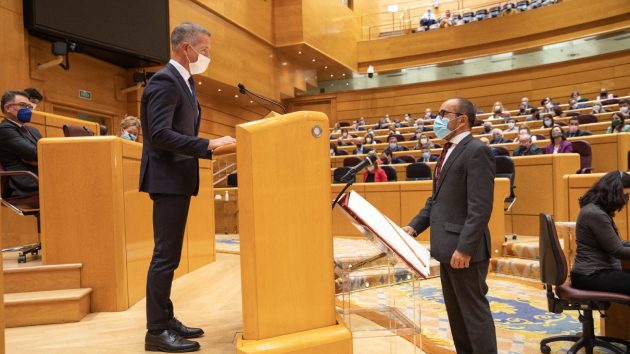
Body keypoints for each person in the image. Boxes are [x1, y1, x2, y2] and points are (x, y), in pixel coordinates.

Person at [139, 22, 236, 353]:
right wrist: (208, 143)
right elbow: (160, 134)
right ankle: (155, 330)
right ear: (186, 49)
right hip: (166, 178)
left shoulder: (186, 83)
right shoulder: (165, 81)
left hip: (177, 177)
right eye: (205, 50)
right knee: (164, 256)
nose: (208, 56)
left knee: (171, 254)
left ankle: (166, 318)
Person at [402, 98, 497, 354]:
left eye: (443, 114)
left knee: (474, 315)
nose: (437, 119)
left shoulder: (477, 150)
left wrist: (465, 248)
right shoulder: (446, 151)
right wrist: (413, 227)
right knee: (457, 315)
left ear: (461, 119)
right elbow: (437, 201)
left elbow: (480, 207)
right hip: (446, 247)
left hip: (465, 251)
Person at [571, 171, 630, 296]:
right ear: (615, 190)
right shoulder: (595, 213)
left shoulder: (596, 210)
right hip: (590, 274)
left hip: (597, 272)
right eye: (626, 195)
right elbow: (618, 250)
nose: (626, 200)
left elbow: (617, 243)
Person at [0, 90, 42, 196]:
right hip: (27, 182)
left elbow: (47, 152)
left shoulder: (33, 130)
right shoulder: (4, 129)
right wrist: (40, 159)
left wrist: (38, 162)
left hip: (43, 177)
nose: (27, 110)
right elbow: (35, 153)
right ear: (7, 108)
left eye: (29, 106)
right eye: (22, 105)